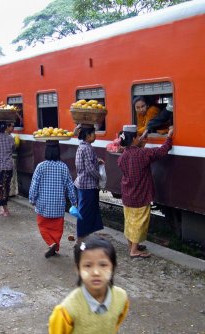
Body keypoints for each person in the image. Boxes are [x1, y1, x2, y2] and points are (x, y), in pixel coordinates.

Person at [48, 236, 129, 333]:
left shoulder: (121, 298)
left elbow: (116, 323)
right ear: (78, 269)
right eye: (88, 265)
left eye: (103, 265)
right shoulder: (67, 310)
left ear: (113, 267)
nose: (96, 272)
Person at [118, 125, 173, 258]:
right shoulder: (143, 154)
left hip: (127, 194)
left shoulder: (123, 156)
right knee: (139, 222)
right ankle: (134, 251)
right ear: (135, 138)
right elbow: (161, 151)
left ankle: (131, 246)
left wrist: (139, 144)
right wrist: (169, 136)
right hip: (140, 195)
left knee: (129, 221)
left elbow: (133, 156)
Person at [29, 141, 77, 258]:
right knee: (57, 228)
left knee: (43, 225)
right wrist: (74, 202)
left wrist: (32, 199)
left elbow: (34, 185)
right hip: (58, 205)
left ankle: (51, 244)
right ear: (58, 153)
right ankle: (55, 246)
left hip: (43, 204)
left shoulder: (41, 166)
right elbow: (70, 186)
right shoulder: (63, 167)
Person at [74, 126, 104, 241]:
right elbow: (90, 169)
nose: (95, 136)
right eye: (93, 134)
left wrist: (97, 160)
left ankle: (87, 234)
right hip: (88, 185)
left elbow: (87, 162)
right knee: (85, 211)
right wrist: (100, 177)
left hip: (82, 183)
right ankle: (80, 238)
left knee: (89, 210)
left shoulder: (82, 146)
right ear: (87, 135)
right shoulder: (87, 148)